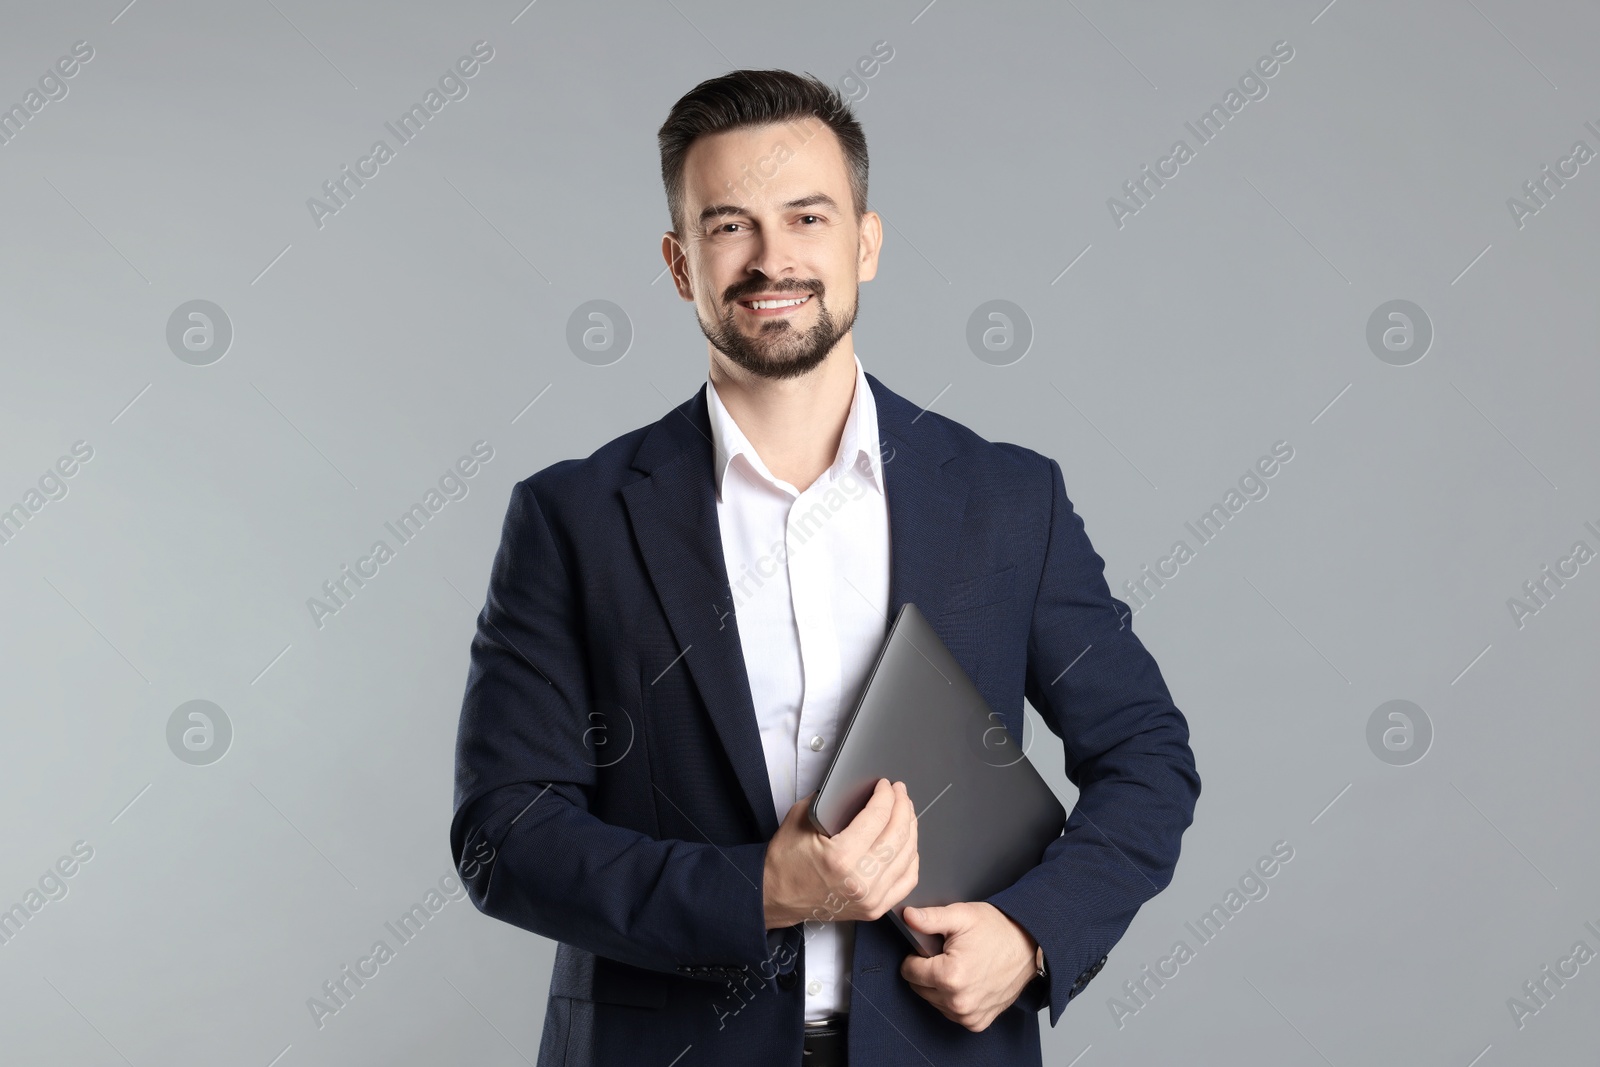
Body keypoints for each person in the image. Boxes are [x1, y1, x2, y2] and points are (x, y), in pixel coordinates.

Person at [450, 68, 1200, 1067]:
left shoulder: (1006, 498)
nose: (772, 259)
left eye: (807, 216)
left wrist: (1030, 935)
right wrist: (765, 888)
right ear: (680, 264)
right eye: (728, 226)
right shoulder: (571, 518)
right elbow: (506, 831)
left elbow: (1147, 753)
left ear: (864, 242)